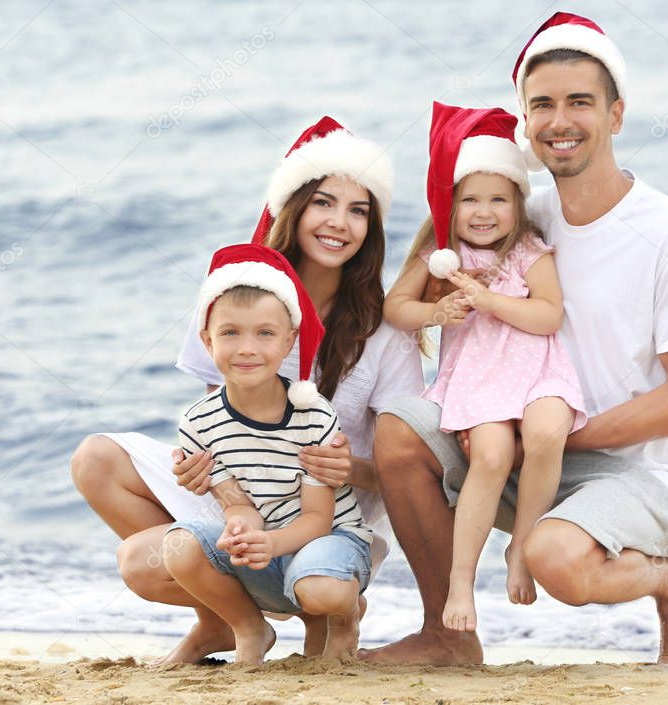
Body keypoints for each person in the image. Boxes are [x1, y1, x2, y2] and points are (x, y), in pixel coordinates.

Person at [362, 12, 668, 666]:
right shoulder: (515, 214)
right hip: (516, 437)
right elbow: (426, 270)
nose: (561, 119)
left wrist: (553, 435)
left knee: (555, 561)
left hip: (635, 467)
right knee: (398, 430)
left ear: (616, 115)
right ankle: (449, 634)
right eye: (543, 105)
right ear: (525, 123)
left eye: (579, 102)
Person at [71, 117, 423, 664]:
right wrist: (201, 470)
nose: (339, 223)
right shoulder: (234, 295)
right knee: (100, 469)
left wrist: (346, 468)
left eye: (359, 211)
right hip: (241, 491)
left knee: (317, 572)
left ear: (372, 229)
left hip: (325, 513)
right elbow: (221, 415)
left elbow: (406, 468)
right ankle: (223, 620)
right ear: (294, 207)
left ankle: (321, 606)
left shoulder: (384, 331)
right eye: (324, 203)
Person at [383, 102, 587, 633]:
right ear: (450, 205)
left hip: (539, 372)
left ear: (518, 204)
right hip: (478, 380)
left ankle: (522, 545)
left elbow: (547, 317)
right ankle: (460, 580)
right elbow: (395, 308)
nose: (483, 211)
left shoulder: (529, 252)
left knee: (547, 430)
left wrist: (491, 300)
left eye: (498, 199)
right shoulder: (440, 254)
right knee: (491, 455)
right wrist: (437, 311)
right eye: (469, 199)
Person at [166, 243, 374, 663]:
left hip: (327, 539)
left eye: (265, 333)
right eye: (230, 333)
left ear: (288, 342)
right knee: (177, 547)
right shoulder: (199, 423)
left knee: (322, 590)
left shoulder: (313, 414)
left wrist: (271, 542)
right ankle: (249, 629)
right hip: (269, 547)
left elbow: (319, 518)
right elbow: (237, 503)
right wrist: (241, 531)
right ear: (207, 341)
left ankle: (345, 613)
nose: (247, 348)